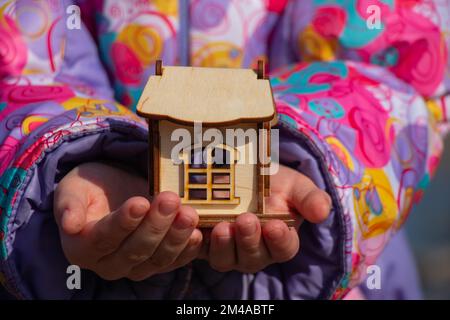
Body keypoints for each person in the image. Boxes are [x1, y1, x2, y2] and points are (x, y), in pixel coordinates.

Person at [0, 0, 448, 299]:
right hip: (81, 267)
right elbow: (20, 56)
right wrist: (76, 155)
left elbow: (400, 67)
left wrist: (302, 152)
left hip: (343, 273)